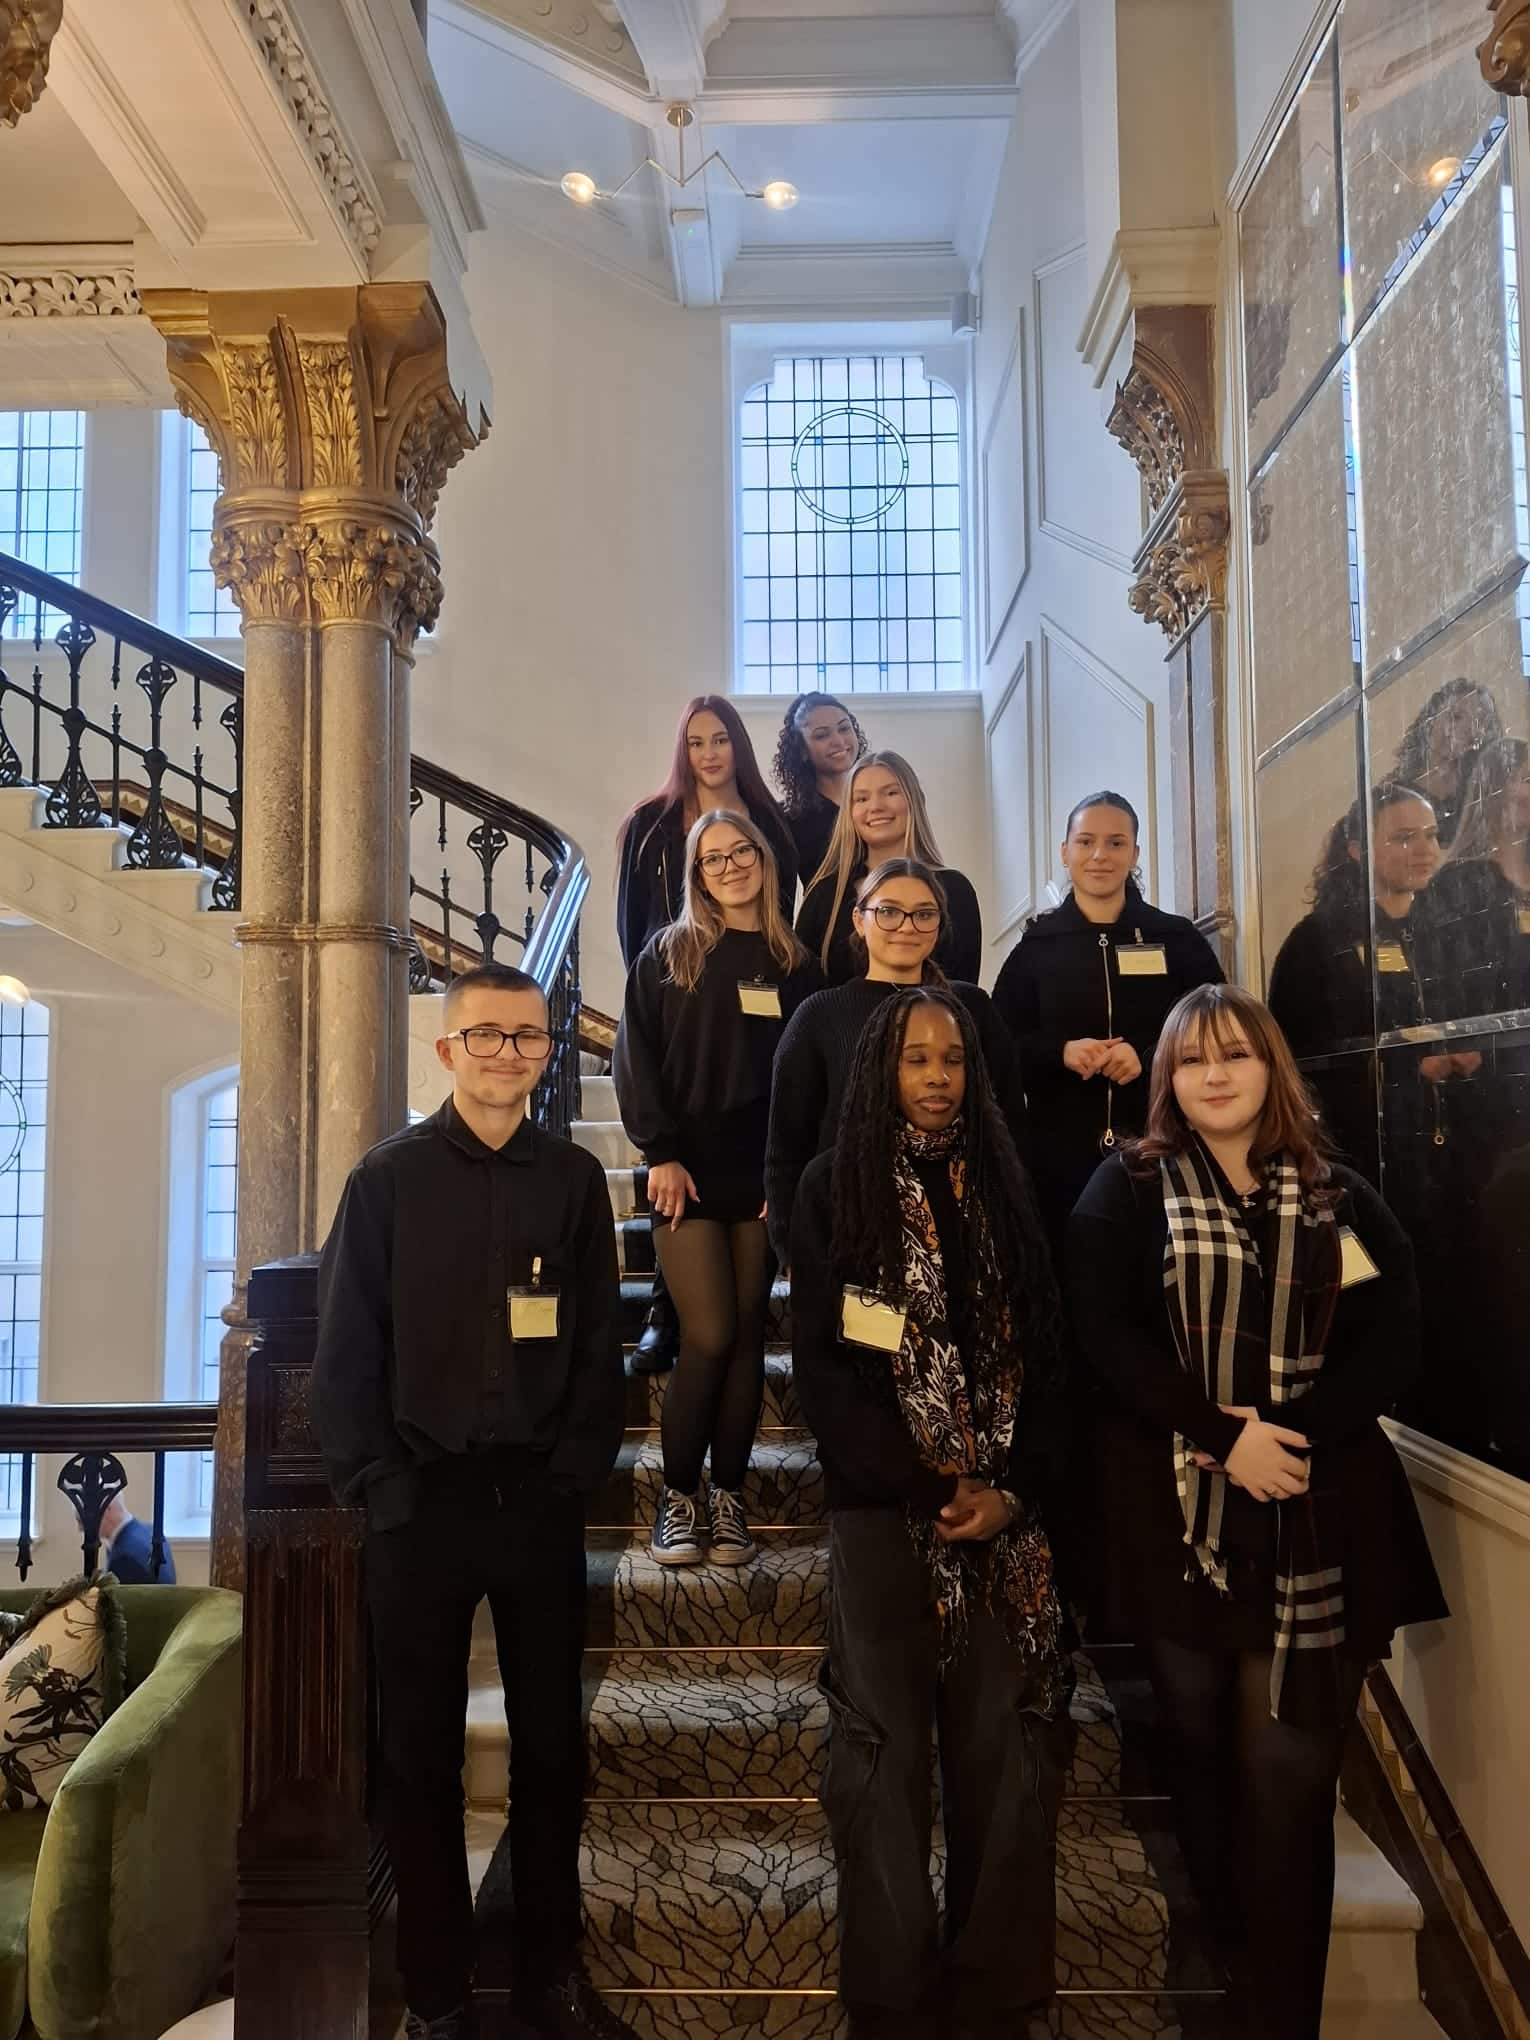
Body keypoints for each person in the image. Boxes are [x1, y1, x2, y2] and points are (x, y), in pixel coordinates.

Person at [1067, 984, 1446, 2040]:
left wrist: (1294, 1435)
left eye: (1237, 1055)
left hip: (1315, 1512)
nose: (1217, 1075)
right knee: (1197, 1753)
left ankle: (1282, 2017)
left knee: (1289, 1787)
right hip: (1179, 1517)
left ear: (1273, 1068)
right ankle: (1230, 1963)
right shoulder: (1126, 1189)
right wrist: (1222, 1433)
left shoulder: (1341, 1197)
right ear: (1168, 1081)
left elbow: (1395, 1338)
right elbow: (1103, 1336)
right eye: (1194, 1061)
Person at [311, 964, 633, 2040]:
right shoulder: (386, 1180)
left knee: (551, 1751)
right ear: (446, 1052)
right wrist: (383, 1487)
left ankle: (546, 1968)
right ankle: (438, 1994)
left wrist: (574, 1471)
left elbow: (599, 1344)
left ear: (548, 1056)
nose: (508, 1054)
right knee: (419, 1761)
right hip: (421, 1507)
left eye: (528, 1039)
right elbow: (345, 1353)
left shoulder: (575, 1183)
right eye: (486, 1036)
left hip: (537, 1503)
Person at [791, 986, 1066, 2040]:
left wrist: (1010, 1492)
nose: (938, 1075)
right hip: (881, 1515)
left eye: (953, 1058)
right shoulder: (833, 1188)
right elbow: (827, 1374)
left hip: (1007, 1524)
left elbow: (1053, 1359)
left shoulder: (1011, 1183)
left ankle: (1000, 1996)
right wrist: (926, 1484)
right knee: (881, 1757)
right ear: (880, 1069)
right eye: (916, 1058)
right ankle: (893, 1998)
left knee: (1004, 1756)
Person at [613, 810, 823, 1565]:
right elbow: (636, 1059)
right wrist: (659, 1153)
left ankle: (728, 1499)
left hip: (762, 1176)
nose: (730, 866)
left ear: (764, 861)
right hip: (684, 1174)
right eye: (712, 859)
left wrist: (788, 1172)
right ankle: (680, 1498)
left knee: (743, 1344)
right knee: (706, 1334)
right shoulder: (669, 954)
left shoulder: (795, 963)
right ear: (696, 875)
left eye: (741, 852)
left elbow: (805, 1082)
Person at [616, 695, 798, 1373]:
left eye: (721, 739)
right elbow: (632, 922)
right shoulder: (651, 823)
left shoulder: (772, 824)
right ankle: (668, 1314)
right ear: (683, 751)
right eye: (697, 742)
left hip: (748, 1003)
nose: (710, 752)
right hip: (679, 998)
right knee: (677, 1186)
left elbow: (789, 912)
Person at [766, 858, 1028, 1265]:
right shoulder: (820, 1014)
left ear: (939, 924)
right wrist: (792, 1253)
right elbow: (786, 1147)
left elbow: (1010, 1123)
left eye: (924, 914)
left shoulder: (971, 1007)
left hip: (964, 1229)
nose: (907, 926)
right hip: (852, 1233)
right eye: (888, 911)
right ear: (859, 919)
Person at [991, 790, 1223, 1250]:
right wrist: (1060, 1052)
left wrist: (1149, 1058)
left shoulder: (1175, 937)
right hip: (1058, 1161)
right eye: (1085, 842)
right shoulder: (1034, 949)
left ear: (1135, 853)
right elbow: (998, 1045)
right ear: (1065, 851)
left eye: (1116, 843)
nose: (1100, 855)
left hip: (1164, 1145)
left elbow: (1216, 1027)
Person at [797, 751, 982, 984]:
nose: (876, 807)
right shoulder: (824, 895)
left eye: (891, 793)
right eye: (861, 799)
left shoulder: (955, 890)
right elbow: (803, 990)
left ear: (914, 801)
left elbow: (964, 990)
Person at [1389, 676, 1505, 850]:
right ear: (1429, 721)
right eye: (1455, 716)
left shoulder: (1486, 796)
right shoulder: (1394, 794)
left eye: (1478, 722)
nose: (1455, 729)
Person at [771, 690, 869, 881]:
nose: (839, 742)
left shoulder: (878, 800)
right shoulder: (788, 819)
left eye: (844, 729)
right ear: (802, 750)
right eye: (822, 736)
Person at [68, 1486, 175, 1584]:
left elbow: (117, 1603)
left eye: (82, 1521)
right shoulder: (151, 1531)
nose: (80, 1529)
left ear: (106, 1509)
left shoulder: (123, 1558)